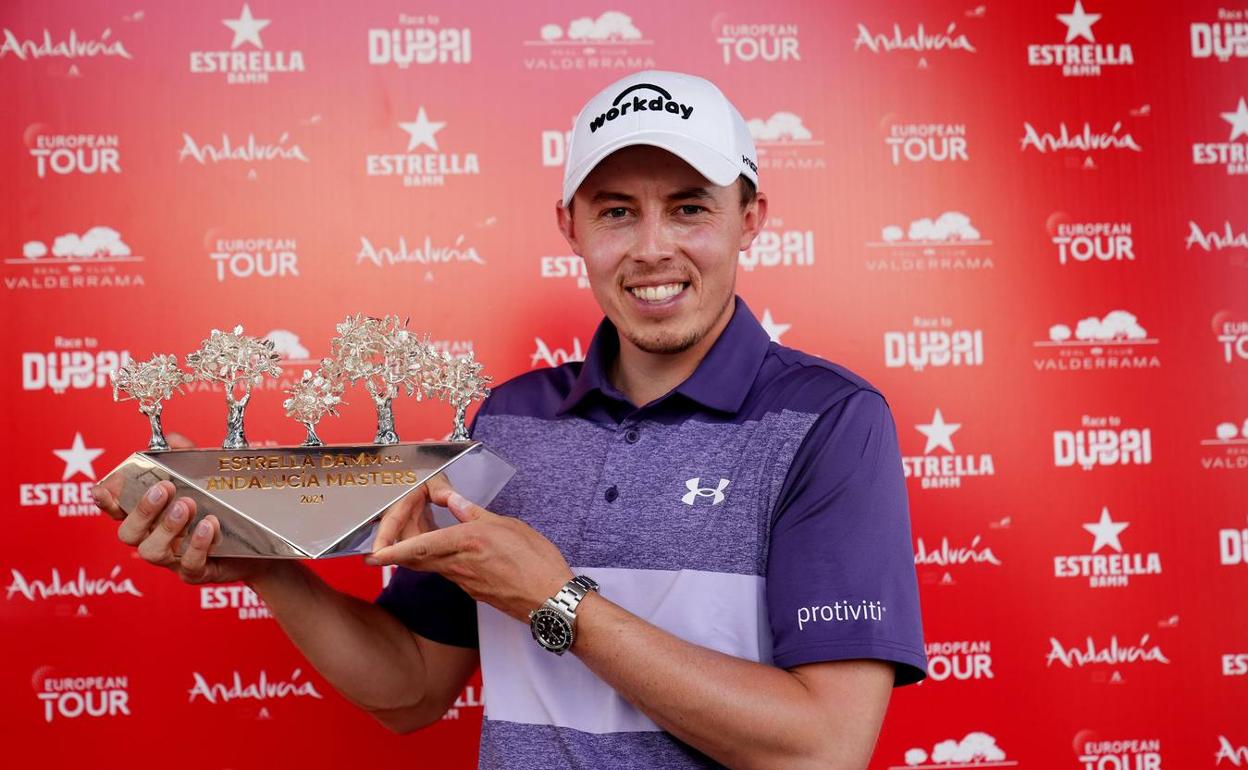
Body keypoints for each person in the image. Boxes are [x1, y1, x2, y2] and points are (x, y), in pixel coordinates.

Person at [94, 70, 926, 770]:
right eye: (614, 212)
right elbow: (415, 688)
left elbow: (824, 745)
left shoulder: (829, 421)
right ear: (569, 226)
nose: (651, 248)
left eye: (689, 208)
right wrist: (266, 562)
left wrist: (556, 601)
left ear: (751, 218)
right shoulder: (511, 419)